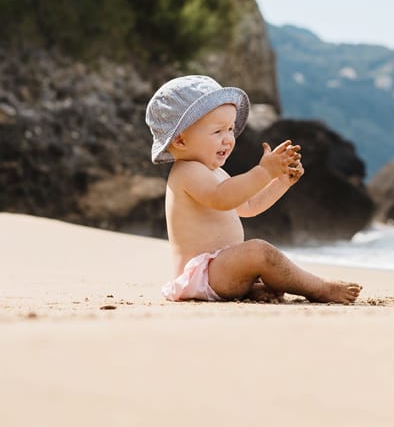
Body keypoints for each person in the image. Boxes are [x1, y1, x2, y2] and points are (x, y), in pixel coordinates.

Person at [145, 75, 362, 304]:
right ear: (180, 141)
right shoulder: (187, 171)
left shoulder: (214, 172)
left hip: (222, 270)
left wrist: (281, 181)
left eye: (230, 129)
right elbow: (222, 199)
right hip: (204, 274)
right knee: (259, 252)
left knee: (256, 257)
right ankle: (318, 288)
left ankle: (251, 288)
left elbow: (248, 206)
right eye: (218, 131)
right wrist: (264, 171)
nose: (228, 139)